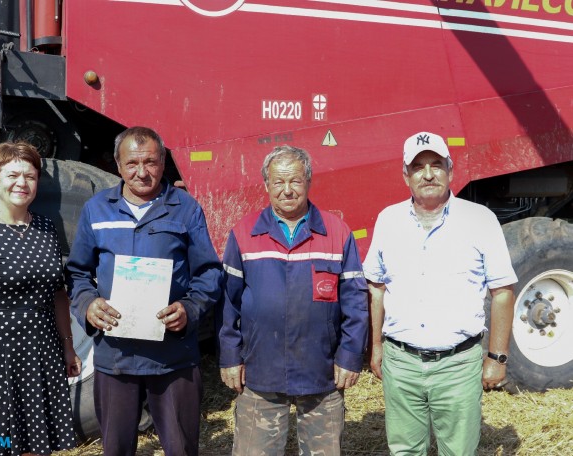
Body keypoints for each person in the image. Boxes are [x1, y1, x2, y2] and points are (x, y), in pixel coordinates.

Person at [65, 126, 223, 456]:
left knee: (180, 448)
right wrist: (88, 306)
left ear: (163, 162)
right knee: (117, 448)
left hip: (173, 357)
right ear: (118, 166)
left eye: (150, 162)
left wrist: (190, 309)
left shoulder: (186, 209)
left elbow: (208, 274)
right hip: (115, 358)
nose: (142, 172)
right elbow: (78, 273)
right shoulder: (97, 209)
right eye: (132, 163)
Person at [363, 131, 518, 455]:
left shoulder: (480, 220)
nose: (428, 173)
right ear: (405, 175)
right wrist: (376, 347)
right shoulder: (388, 220)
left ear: (450, 169)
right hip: (401, 363)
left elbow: (502, 291)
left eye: (436, 164)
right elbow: (376, 288)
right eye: (418, 167)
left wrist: (497, 358)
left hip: (458, 365)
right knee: (405, 450)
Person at [218, 145, 369, 455]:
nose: (287, 190)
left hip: (321, 372)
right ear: (266, 185)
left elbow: (356, 302)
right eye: (278, 182)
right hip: (261, 372)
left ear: (308, 182)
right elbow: (227, 304)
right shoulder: (244, 233)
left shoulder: (336, 233)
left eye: (295, 181)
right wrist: (230, 356)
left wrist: (350, 355)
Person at [0, 141, 80, 455]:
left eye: (30, 176)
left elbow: (58, 295)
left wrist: (68, 347)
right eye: (12, 175)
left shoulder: (47, 228)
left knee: (36, 445)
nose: (22, 183)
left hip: (41, 354)